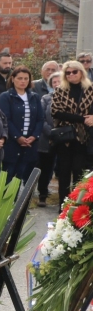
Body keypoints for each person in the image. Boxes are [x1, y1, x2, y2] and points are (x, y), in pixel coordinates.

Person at [51, 60, 93, 205]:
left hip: (85, 137)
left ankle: (76, 204)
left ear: (81, 72)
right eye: (67, 73)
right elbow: (56, 112)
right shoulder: (60, 90)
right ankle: (63, 205)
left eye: (74, 71)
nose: (71, 75)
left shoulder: (91, 89)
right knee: (63, 172)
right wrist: (82, 119)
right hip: (66, 137)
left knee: (79, 172)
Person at [0, 66, 43, 181]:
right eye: (20, 78)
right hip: (12, 143)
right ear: (13, 79)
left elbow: (40, 119)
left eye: (26, 79)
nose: (23, 81)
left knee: (23, 177)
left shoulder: (34, 97)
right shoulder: (6, 96)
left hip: (30, 144)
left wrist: (34, 136)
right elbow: (5, 119)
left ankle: (22, 199)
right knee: (8, 177)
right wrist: (18, 137)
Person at [36, 71, 62, 207]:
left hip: (65, 140)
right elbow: (41, 118)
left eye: (59, 81)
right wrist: (51, 132)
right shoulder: (46, 98)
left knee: (64, 169)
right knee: (46, 168)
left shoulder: (72, 98)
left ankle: (65, 197)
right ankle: (43, 194)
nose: (57, 84)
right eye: (54, 82)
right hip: (48, 139)